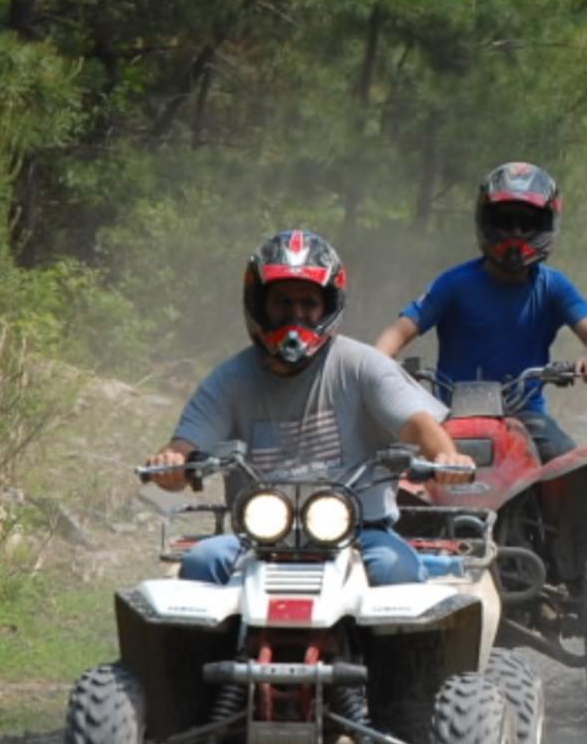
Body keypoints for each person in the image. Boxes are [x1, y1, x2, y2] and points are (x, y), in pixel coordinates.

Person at [145, 229, 472, 586]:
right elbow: (186, 444)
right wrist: (172, 463)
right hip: (258, 537)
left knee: (399, 573)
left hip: (361, 532)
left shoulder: (363, 365)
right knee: (201, 562)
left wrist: (446, 458)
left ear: (328, 307)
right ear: (259, 305)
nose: (295, 316)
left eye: (308, 304)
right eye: (282, 303)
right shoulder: (229, 380)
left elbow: (416, 425)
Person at [374, 162, 587, 462]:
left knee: (567, 463)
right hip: (448, 414)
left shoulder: (553, 286)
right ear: (485, 222)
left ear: (546, 226)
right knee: (395, 469)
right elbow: (400, 330)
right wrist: (377, 363)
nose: (514, 234)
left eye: (526, 225)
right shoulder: (455, 283)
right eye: (504, 223)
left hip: (526, 416)